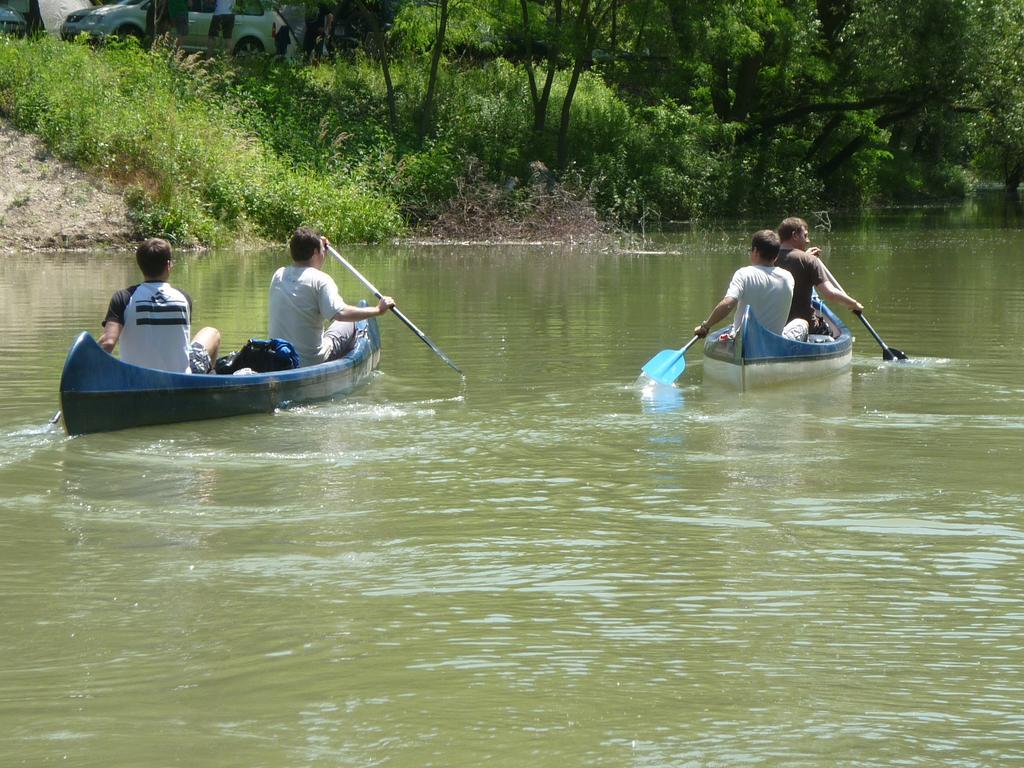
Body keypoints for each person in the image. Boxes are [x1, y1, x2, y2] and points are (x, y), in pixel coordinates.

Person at [268, 226, 394, 368]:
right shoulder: (321, 280)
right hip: (311, 361)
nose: (324, 254)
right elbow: (340, 314)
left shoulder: (278, 275)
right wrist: (378, 310)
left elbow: (303, 246)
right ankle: (350, 362)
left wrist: (317, 242)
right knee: (354, 322)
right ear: (315, 252)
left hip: (278, 358)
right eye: (322, 250)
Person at [99, 238, 221, 373]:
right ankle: (209, 381)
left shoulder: (123, 298)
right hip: (181, 380)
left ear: (140, 265)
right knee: (211, 333)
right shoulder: (183, 298)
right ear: (168, 265)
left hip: (135, 379)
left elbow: (108, 342)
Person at [693, 230, 793, 341]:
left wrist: (705, 326)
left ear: (755, 250)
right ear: (776, 255)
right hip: (775, 342)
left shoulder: (744, 274)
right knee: (801, 323)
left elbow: (728, 304)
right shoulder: (788, 277)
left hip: (745, 342)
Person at [775, 216, 863, 340]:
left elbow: (789, 260)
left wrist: (804, 256)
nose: (807, 241)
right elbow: (830, 294)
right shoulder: (809, 260)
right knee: (835, 334)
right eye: (805, 236)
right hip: (807, 327)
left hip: (774, 326)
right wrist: (854, 304)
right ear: (794, 235)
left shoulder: (768, 258)